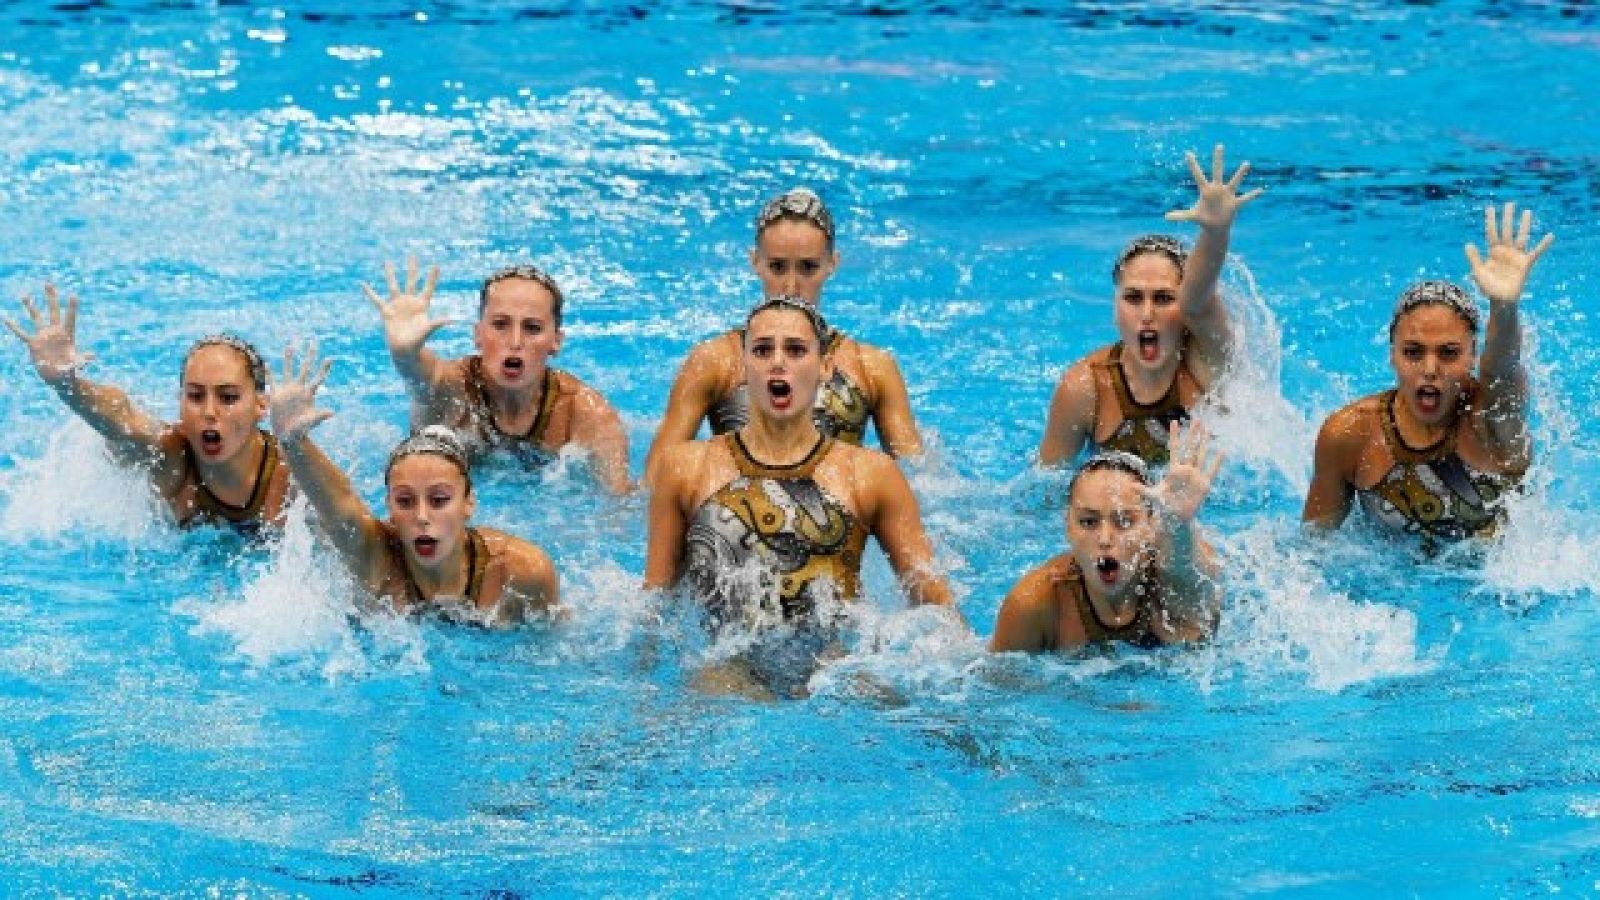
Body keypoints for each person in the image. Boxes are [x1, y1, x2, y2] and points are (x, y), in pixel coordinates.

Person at [644, 295, 958, 697]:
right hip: (725, 666)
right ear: (742, 367)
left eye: (795, 350)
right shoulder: (686, 469)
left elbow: (932, 600)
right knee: (716, 688)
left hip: (833, 669)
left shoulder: (871, 475)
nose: (778, 362)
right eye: (762, 350)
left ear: (825, 367)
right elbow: (656, 603)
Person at [1302, 203, 1554, 548]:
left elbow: (1504, 369)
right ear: (1392, 355)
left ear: (1472, 357)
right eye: (1413, 352)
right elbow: (1312, 551)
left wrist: (1504, 307)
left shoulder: (1491, 419)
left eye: (1449, 353)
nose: (1430, 369)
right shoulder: (1349, 435)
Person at [268, 341, 558, 625]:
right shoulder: (377, 561)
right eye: (405, 501)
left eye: (439, 500)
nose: (421, 516)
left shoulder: (520, 573)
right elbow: (340, 507)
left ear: (469, 503)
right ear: (389, 508)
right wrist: (293, 443)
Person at [645, 187, 922, 484]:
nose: (791, 286)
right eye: (777, 267)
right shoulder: (714, 361)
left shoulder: (872, 368)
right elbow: (655, 482)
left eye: (808, 268)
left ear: (832, 264)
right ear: (755, 263)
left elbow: (920, 483)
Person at [1038, 145, 1260, 468]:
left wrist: (1215, 232)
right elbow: (1045, 491)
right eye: (1133, 298)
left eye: (1163, 298)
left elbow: (1198, 301)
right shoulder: (1085, 389)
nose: (1146, 314)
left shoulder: (1207, 363)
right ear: (1115, 310)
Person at [5, 284, 290, 534]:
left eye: (228, 398)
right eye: (195, 396)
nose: (209, 411)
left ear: (261, 405)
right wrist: (68, 385)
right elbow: (122, 417)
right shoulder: (172, 459)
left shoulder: (288, 477)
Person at [365, 258, 632, 494]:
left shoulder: (585, 415)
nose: (515, 341)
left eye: (532, 328)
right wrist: (403, 352)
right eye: (500, 324)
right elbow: (422, 374)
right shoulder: (453, 391)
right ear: (478, 334)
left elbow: (616, 509)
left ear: (556, 342)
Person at [991, 424, 1223, 652]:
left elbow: (1189, 574)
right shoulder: (1035, 606)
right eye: (1088, 522)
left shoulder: (1173, 576)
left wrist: (1179, 523)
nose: (1104, 539)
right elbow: (997, 685)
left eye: (1124, 521)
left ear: (1152, 525)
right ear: (1067, 527)